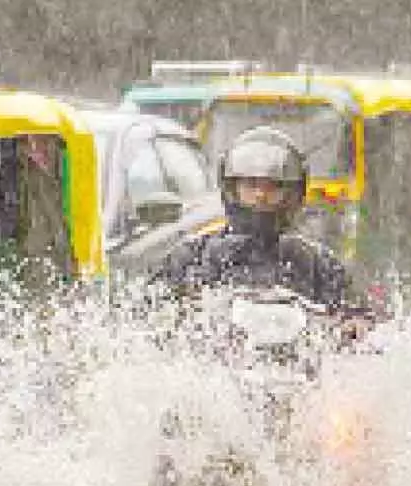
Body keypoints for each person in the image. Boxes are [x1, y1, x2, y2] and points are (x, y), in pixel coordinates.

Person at [151, 126, 371, 336]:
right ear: (232, 187)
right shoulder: (192, 256)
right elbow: (148, 315)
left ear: (292, 193)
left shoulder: (317, 263)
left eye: (273, 186)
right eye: (251, 184)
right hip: (217, 367)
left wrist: (351, 326)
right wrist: (184, 320)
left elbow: (357, 317)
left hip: (297, 368)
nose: (260, 195)